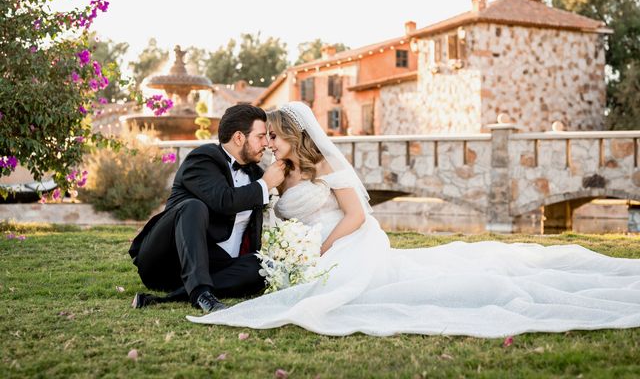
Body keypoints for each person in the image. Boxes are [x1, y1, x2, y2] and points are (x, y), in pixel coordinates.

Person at [188, 102, 640, 337]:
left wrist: (322, 247)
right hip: (303, 247)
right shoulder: (273, 171)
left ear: (291, 137)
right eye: (265, 137)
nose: (267, 142)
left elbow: (358, 216)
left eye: (274, 137)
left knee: (354, 290)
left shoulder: (323, 166)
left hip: (343, 239)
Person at [129, 104, 286, 312]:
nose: (266, 143)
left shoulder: (256, 174)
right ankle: (201, 293)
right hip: (166, 261)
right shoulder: (203, 159)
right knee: (192, 207)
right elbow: (224, 201)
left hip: (213, 264)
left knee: (262, 267)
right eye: (260, 136)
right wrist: (265, 185)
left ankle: (168, 299)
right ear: (239, 137)